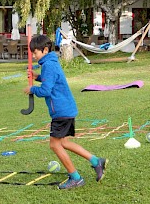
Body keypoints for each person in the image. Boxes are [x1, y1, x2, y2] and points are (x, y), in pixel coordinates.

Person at [23, 35, 107, 189]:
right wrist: (38, 77)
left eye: (35, 53)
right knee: (64, 142)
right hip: (66, 109)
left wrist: (32, 89)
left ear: (45, 50)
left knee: (54, 145)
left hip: (61, 111)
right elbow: (53, 80)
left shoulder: (48, 65)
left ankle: (76, 178)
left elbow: (46, 90)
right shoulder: (51, 63)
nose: (34, 56)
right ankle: (96, 161)